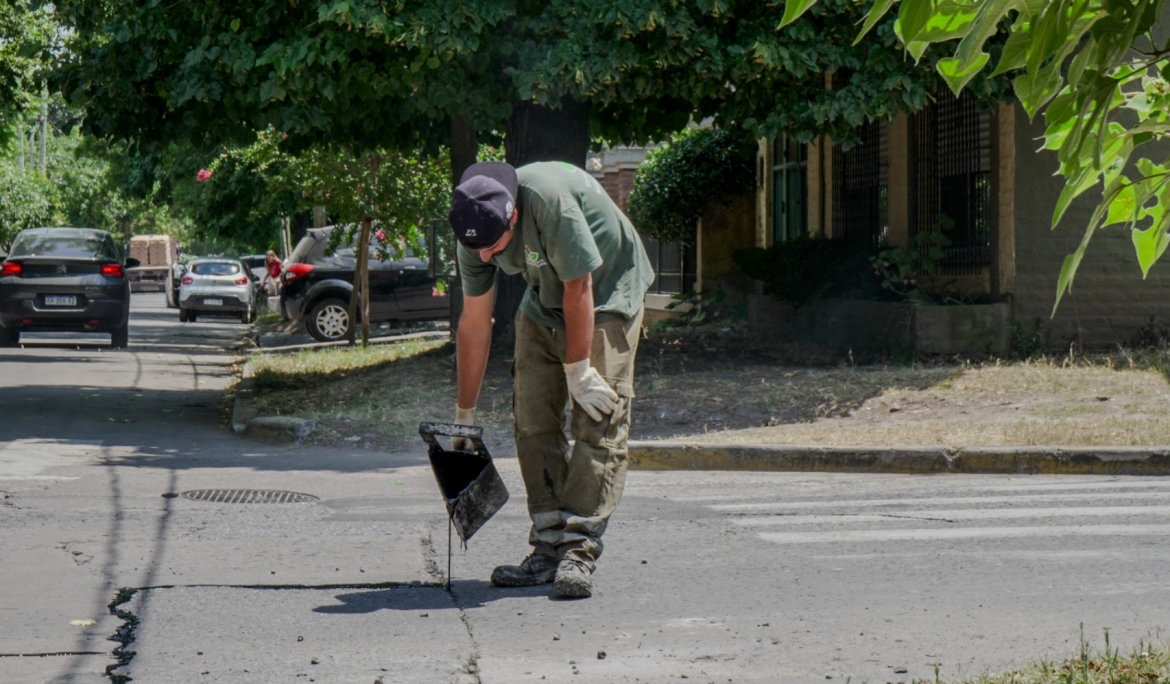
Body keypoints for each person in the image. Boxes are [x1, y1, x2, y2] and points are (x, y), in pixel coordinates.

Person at [448, 161, 654, 599]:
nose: (485, 257)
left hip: (607, 288)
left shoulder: (547, 203)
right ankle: (547, 545)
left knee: (597, 414)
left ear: (514, 217)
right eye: (477, 249)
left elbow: (580, 288)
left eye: (493, 247)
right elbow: (474, 322)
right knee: (531, 416)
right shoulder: (476, 226)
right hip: (545, 295)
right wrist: (465, 414)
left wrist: (579, 371)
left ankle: (578, 549)